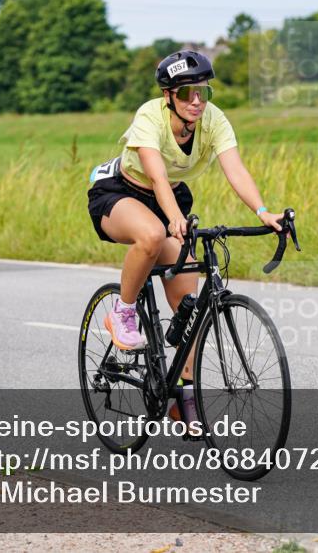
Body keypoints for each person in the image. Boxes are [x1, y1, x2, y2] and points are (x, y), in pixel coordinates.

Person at [87, 49, 283, 422]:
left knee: (190, 306)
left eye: (203, 92)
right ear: (168, 96)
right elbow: (156, 175)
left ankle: (184, 395)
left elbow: (235, 169)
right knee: (153, 235)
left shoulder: (214, 120)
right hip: (122, 192)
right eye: (186, 93)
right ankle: (123, 313)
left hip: (171, 196)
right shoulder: (149, 116)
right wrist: (175, 219)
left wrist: (262, 211)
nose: (196, 101)